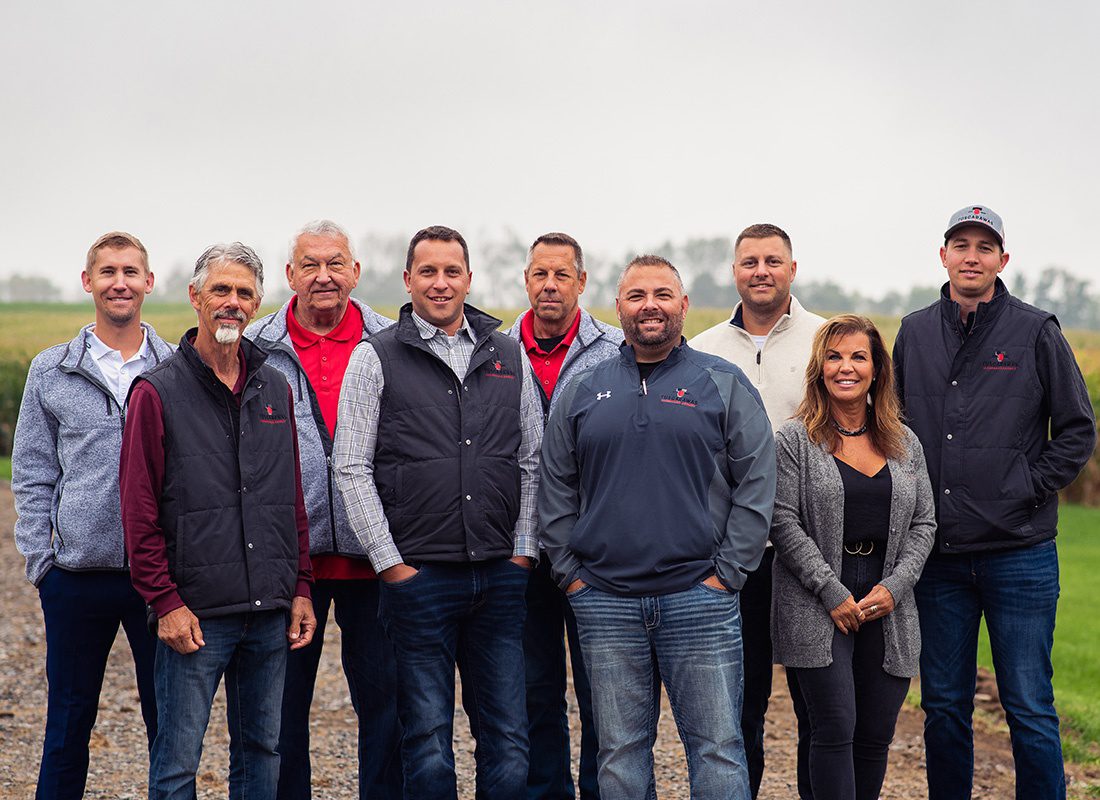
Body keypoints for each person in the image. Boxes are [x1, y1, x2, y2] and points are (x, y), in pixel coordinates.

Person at [539, 255, 775, 800]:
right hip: (605, 600)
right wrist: (572, 575)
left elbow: (758, 481)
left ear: (683, 306)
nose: (651, 306)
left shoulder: (723, 382)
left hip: (699, 598)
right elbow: (555, 484)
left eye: (663, 295)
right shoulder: (583, 389)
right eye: (638, 295)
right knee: (619, 755)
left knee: (717, 749)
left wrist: (729, 573)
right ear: (619, 306)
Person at [333, 225, 543, 800]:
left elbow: (532, 459)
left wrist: (524, 551)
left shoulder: (507, 353)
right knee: (425, 741)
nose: (441, 283)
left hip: (499, 575)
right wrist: (390, 564)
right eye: (428, 271)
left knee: (508, 738)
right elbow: (349, 466)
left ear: (469, 279)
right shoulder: (374, 357)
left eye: (452, 271)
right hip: (418, 579)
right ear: (407, 280)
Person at [893, 205, 1096, 800]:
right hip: (940, 558)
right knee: (944, 706)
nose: (972, 256)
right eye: (961, 245)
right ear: (944, 256)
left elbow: (1078, 430)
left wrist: (1024, 488)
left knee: (1029, 705)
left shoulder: (1035, 331)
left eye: (985, 247)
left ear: (1003, 260)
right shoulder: (915, 331)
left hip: (1019, 554)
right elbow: (894, 426)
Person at [120, 242, 317, 800]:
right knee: (179, 762)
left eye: (244, 293)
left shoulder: (274, 387)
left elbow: (291, 497)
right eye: (220, 291)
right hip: (197, 615)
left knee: (261, 754)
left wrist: (300, 586)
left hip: (270, 612)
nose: (232, 302)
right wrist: (165, 601)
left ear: (258, 303)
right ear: (194, 298)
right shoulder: (157, 392)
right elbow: (137, 512)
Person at [12, 231, 173, 800]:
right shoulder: (52, 370)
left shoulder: (176, 369)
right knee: (67, 727)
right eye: (108, 272)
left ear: (149, 283)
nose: (120, 282)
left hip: (159, 584)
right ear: (88, 282)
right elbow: (31, 471)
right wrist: (42, 562)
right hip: (75, 579)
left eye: (131, 272)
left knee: (170, 730)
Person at [246, 220, 401, 800]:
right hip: (290, 566)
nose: (324, 275)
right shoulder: (258, 349)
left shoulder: (392, 343)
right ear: (290, 276)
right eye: (309, 264)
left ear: (356, 273)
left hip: (378, 558)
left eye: (336, 263)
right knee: (282, 716)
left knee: (388, 710)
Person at [770, 314, 936, 800]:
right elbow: (781, 521)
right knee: (835, 726)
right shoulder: (795, 440)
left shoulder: (905, 442)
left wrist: (896, 587)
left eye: (858, 356)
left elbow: (924, 523)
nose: (846, 367)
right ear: (819, 367)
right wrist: (830, 590)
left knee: (874, 735)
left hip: (888, 600)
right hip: (816, 599)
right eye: (834, 356)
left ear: (877, 368)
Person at [690, 223, 826, 798]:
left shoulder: (827, 339)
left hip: (811, 551)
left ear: (793, 269)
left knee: (818, 708)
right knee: (737, 710)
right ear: (734, 271)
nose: (761, 271)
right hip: (733, 554)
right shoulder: (701, 351)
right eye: (749, 261)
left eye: (773, 260)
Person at [503, 231, 622, 800]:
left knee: (605, 690)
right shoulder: (495, 352)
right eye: (539, 275)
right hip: (521, 550)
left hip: (598, 551)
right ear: (526, 280)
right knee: (532, 688)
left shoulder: (615, 349)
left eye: (561, 275)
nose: (549, 285)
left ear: (581, 283)